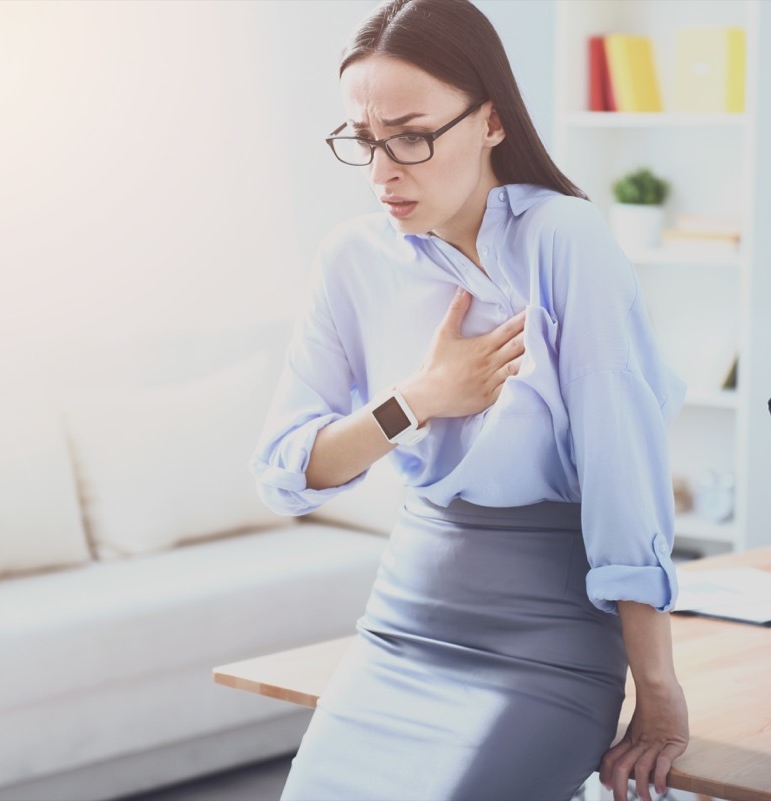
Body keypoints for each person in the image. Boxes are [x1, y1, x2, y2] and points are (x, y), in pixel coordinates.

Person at [251, 1, 689, 799]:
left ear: (490, 120)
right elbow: (286, 472)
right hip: (403, 622)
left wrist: (657, 690)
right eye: (364, 140)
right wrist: (416, 399)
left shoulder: (563, 239)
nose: (383, 171)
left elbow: (624, 477)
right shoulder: (351, 258)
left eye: (411, 136)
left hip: (547, 640)